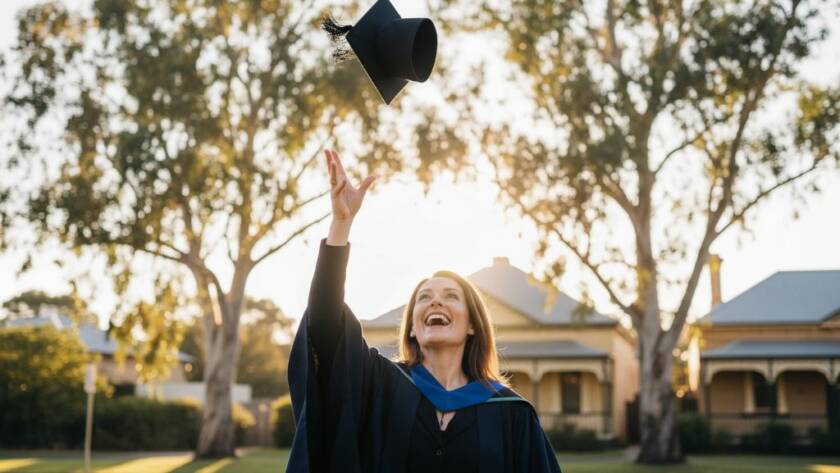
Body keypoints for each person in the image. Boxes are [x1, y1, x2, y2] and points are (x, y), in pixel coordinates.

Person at [286, 149, 563, 473]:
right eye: (424, 297)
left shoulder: (511, 412)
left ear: (473, 324)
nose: (436, 301)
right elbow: (325, 330)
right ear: (412, 328)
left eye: (450, 296)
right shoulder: (382, 385)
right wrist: (341, 226)